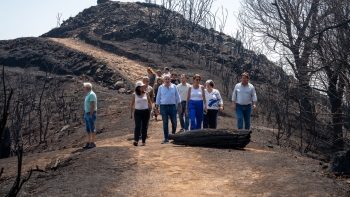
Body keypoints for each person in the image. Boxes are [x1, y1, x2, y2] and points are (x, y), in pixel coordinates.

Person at [155, 74, 182, 144]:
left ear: (170, 79)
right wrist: (156, 108)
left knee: (174, 122)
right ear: (164, 80)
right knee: (165, 122)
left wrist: (180, 106)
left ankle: (173, 134)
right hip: (163, 107)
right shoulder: (161, 87)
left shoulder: (174, 86)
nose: (167, 80)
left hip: (173, 106)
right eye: (166, 79)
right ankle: (166, 138)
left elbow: (178, 97)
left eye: (168, 79)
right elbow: (158, 98)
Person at [130, 81, 152, 146]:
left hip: (145, 111)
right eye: (141, 86)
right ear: (138, 87)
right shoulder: (134, 95)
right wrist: (131, 113)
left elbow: (149, 102)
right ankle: (136, 140)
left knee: (144, 127)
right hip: (137, 112)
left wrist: (152, 109)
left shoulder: (146, 94)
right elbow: (132, 104)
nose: (143, 87)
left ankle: (143, 141)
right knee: (137, 126)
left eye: (143, 86)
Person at [83, 82, 98, 149]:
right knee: (88, 128)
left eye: (84, 87)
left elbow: (93, 105)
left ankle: (93, 142)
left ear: (87, 88)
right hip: (87, 113)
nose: (83, 88)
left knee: (92, 127)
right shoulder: (88, 94)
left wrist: (91, 114)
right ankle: (89, 142)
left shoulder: (92, 94)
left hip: (90, 113)